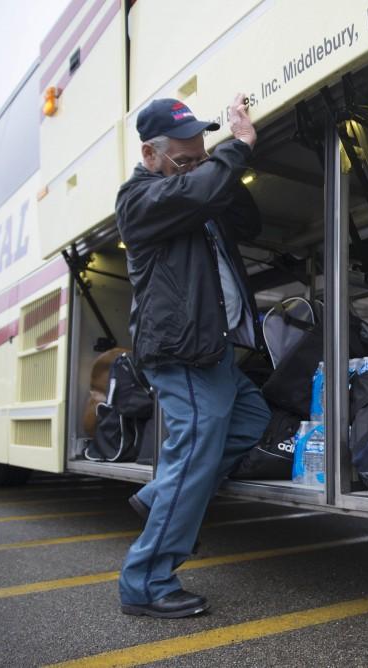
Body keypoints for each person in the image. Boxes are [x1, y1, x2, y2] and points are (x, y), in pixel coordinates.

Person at [115, 94, 271, 618]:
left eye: (199, 156)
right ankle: (147, 581)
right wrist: (236, 149)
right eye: (184, 160)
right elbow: (202, 190)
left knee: (251, 419)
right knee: (195, 455)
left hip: (213, 348)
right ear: (150, 154)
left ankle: (164, 493)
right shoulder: (138, 200)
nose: (195, 165)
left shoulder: (196, 188)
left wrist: (218, 163)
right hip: (181, 350)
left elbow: (247, 222)